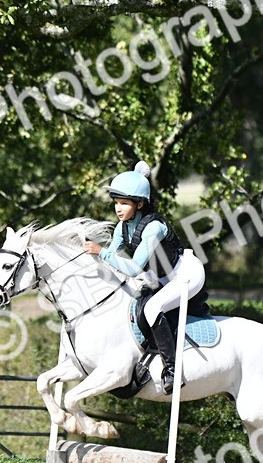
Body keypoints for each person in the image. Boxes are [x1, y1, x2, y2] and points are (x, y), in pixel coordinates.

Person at [81, 161, 206, 394]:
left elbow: (133, 268)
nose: (118, 208)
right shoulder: (123, 226)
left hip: (185, 274)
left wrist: (101, 252)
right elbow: (112, 256)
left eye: (124, 203)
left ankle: (172, 370)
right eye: (116, 203)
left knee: (151, 309)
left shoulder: (153, 227)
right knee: (130, 301)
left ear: (140, 203)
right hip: (159, 275)